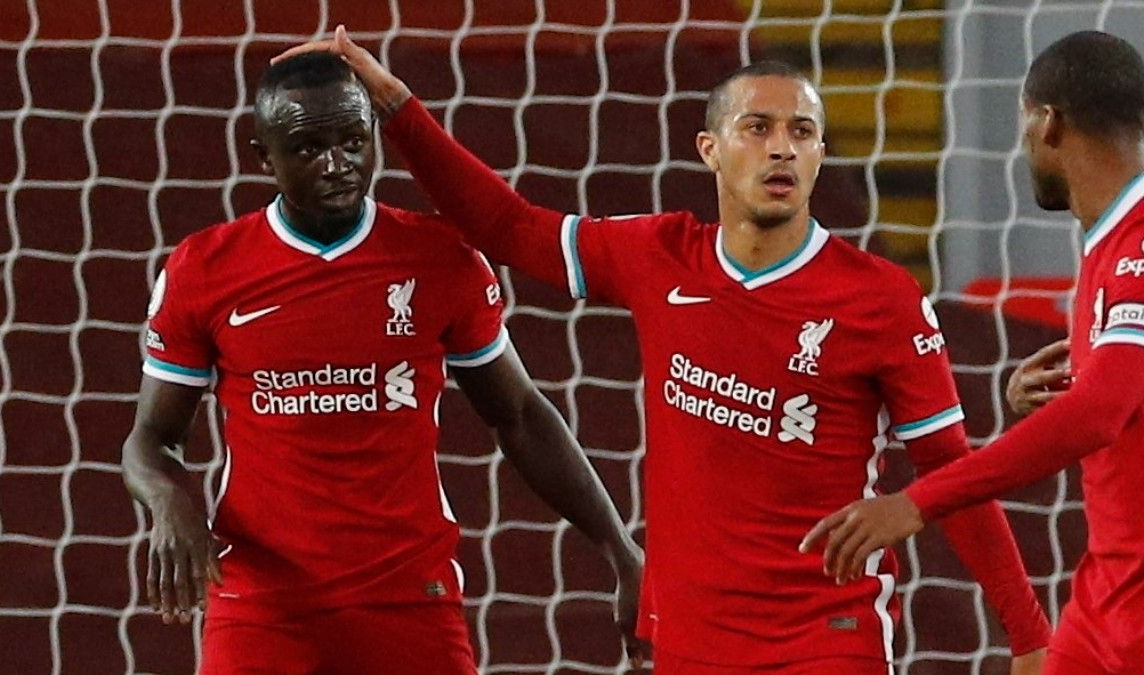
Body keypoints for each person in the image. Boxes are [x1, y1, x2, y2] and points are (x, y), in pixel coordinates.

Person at [275, 27, 1051, 675]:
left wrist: (1029, 636)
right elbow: (510, 227)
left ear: (818, 159)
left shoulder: (879, 298)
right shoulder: (660, 255)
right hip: (689, 642)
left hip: (825, 640)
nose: (781, 148)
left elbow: (949, 469)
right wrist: (398, 108)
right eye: (759, 128)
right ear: (711, 149)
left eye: (802, 133)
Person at [121, 52, 644, 675]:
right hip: (263, 602)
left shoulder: (440, 256)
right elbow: (151, 439)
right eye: (308, 147)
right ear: (263, 155)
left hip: (409, 597)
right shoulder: (203, 269)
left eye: (352, 140)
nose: (337, 164)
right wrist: (169, 497)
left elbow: (522, 416)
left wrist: (621, 552)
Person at [801, 31, 1144, 675]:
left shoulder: (1139, 240)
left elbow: (1103, 412)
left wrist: (917, 502)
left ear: (1048, 123)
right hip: (1107, 599)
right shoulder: (1110, 241)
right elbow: (1116, 401)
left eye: (1023, 124)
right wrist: (1083, 382)